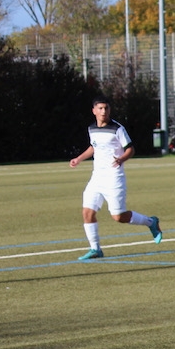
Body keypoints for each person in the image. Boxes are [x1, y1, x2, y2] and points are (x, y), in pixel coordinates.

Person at [69, 97, 162, 260]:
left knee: (118, 216)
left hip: (114, 177)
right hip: (97, 177)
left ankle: (151, 222)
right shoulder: (91, 128)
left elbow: (130, 149)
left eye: (106, 108)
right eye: (100, 108)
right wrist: (79, 158)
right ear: (94, 111)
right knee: (87, 212)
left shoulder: (117, 128)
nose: (103, 111)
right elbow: (94, 146)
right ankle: (95, 249)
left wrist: (121, 159)